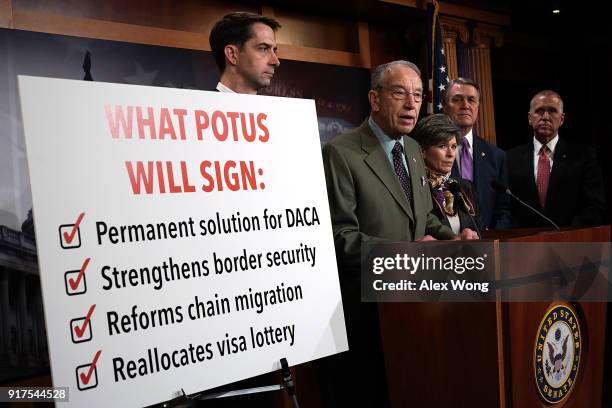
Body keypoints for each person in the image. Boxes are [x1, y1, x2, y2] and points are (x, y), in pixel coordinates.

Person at [321, 60, 476, 407]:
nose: (411, 104)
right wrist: (405, 253)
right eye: (400, 94)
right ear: (375, 100)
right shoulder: (341, 153)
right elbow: (339, 236)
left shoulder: (411, 150)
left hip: (417, 306)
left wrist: (455, 238)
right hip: (368, 312)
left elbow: (422, 219)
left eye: (418, 96)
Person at [507, 90, 606, 227]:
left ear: (562, 119)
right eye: (540, 111)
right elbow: (505, 207)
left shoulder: (583, 157)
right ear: (530, 118)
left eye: (552, 111)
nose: (546, 116)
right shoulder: (510, 158)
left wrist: (567, 236)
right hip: (524, 243)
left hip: (570, 243)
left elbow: (594, 206)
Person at [443, 77, 512, 230]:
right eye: (458, 99)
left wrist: (494, 241)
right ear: (445, 107)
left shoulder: (496, 156)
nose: (465, 105)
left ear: (478, 107)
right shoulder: (431, 152)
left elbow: (503, 210)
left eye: (471, 100)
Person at [411, 114, 483, 235]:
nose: (450, 154)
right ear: (422, 151)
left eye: (454, 146)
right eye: (442, 146)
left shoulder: (465, 187)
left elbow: (480, 232)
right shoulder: (414, 187)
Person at [209, 12, 281, 94]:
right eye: (263, 48)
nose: (276, 62)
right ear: (232, 54)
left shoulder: (275, 106)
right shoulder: (199, 105)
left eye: (274, 51)